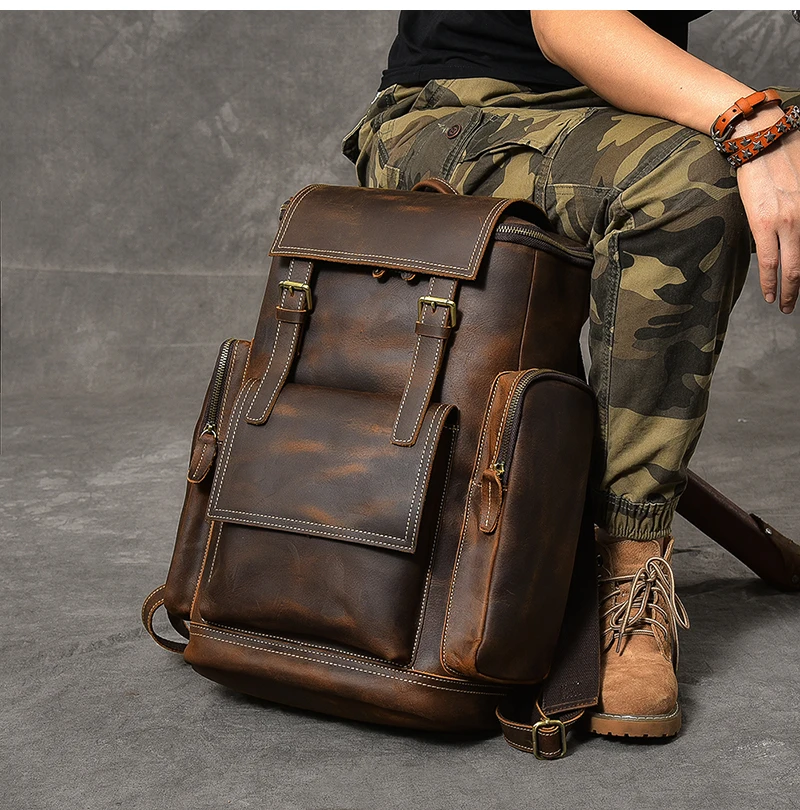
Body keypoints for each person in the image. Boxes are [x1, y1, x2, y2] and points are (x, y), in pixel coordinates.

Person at [342, 11, 800, 739]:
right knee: (692, 181)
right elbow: (570, 23)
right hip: (460, 113)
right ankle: (630, 569)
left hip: (614, 108)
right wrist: (755, 124)